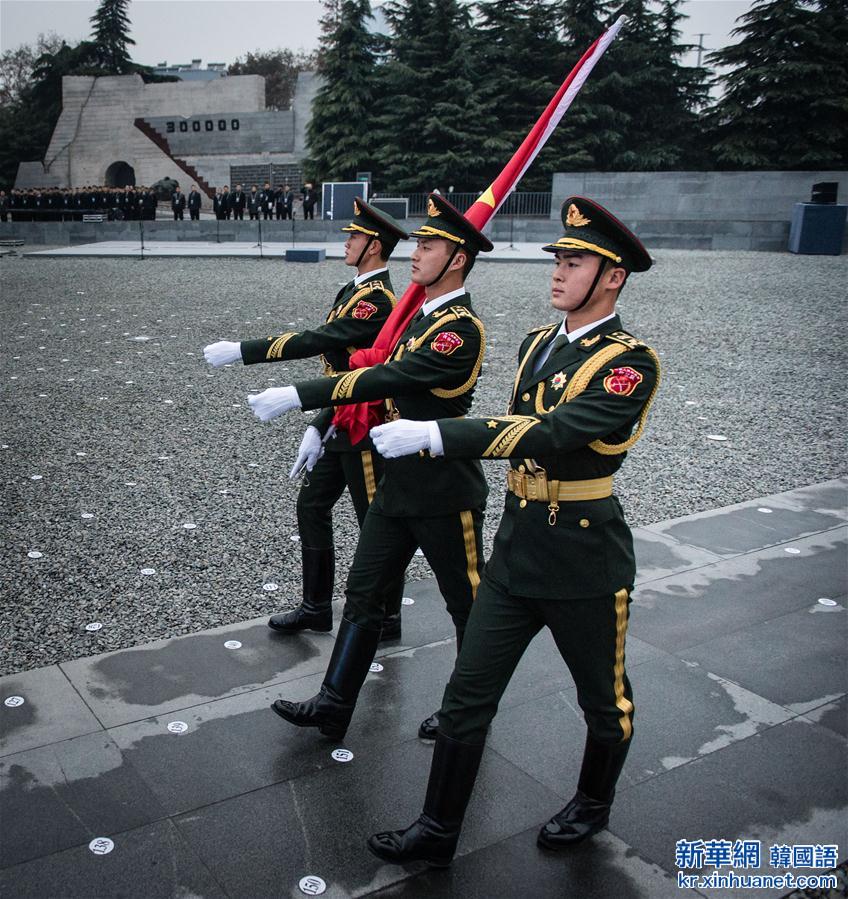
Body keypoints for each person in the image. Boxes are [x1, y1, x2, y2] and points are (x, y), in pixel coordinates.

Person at [366, 196, 661, 866]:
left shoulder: (629, 363)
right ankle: (437, 830)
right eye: (558, 257)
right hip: (518, 546)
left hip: (584, 556)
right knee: (467, 692)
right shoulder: (537, 342)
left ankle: (592, 801)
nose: (558, 270)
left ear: (612, 276)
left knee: (604, 701)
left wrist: (440, 433)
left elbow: (554, 432)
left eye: (576, 260)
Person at [246, 193, 493, 742]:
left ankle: (468, 708)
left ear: (457, 259)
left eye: (430, 245)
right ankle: (334, 703)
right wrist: (322, 422)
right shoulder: (417, 320)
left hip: (443, 489)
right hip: (398, 484)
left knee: (467, 604)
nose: (417, 251)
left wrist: (298, 394)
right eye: (420, 242)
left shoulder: (459, 329)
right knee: (363, 595)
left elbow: (383, 379)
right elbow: (372, 371)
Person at [203, 199, 411, 646]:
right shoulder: (355, 289)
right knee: (312, 506)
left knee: (373, 522)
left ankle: (388, 616)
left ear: (374, 246)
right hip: (340, 416)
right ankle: (317, 608)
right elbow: (337, 372)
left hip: (366, 425)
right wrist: (319, 425)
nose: (348, 242)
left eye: (355, 237)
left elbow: (322, 340)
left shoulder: (377, 298)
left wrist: (245, 350)